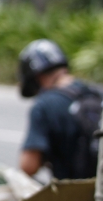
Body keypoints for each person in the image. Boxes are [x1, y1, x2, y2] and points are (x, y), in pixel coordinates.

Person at [18, 39, 101, 180]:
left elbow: (28, 166)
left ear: (36, 77)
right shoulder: (96, 92)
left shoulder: (44, 106)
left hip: (73, 193)